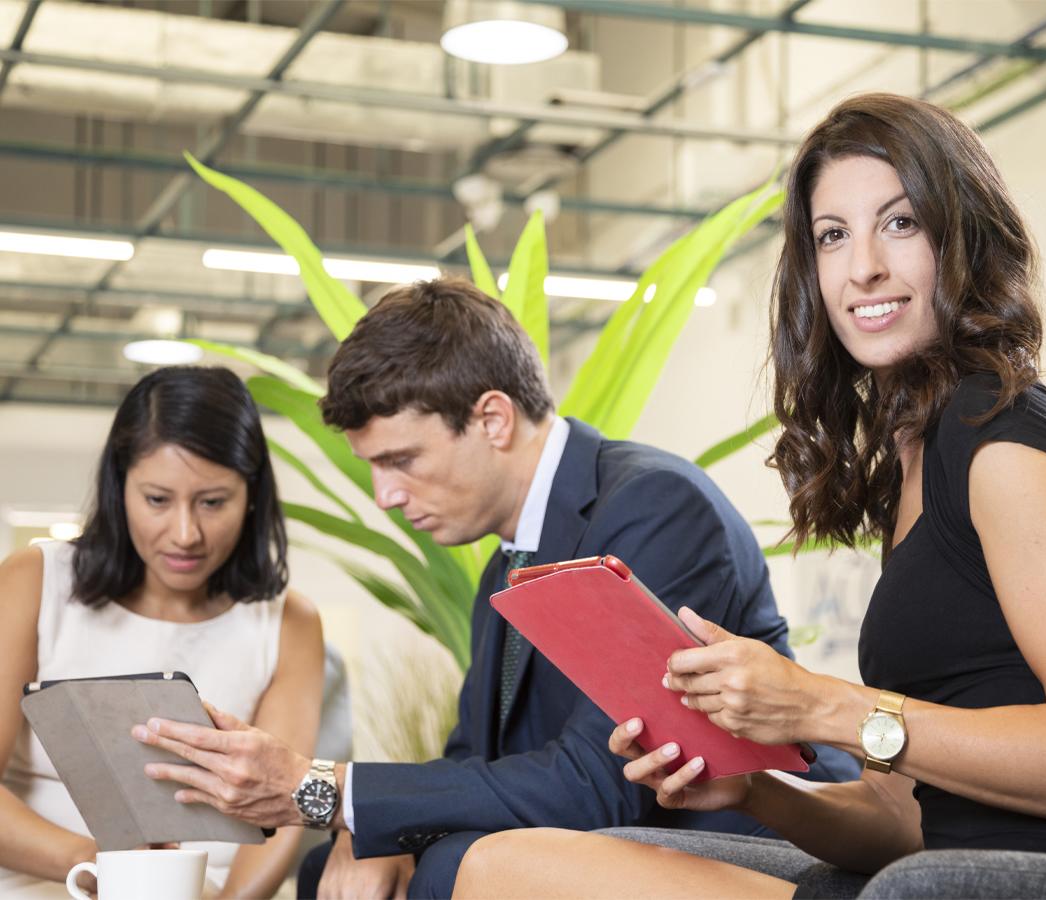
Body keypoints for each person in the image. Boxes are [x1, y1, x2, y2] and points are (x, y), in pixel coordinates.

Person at [446, 92, 1046, 898]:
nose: (862, 265)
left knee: (507, 869)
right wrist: (751, 787)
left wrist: (822, 707)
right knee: (530, 860)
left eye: (900, 223)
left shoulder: (1001, 441)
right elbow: (906, 825)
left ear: (964, 237)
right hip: (933, 874)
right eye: (833, 236)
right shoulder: (922, 451)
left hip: (1027, 888)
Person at [130, 277, 860, 899]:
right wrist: (376, 827)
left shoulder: (653, 506)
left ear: (492, 418)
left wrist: (329, 789)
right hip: (611, 830)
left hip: (755, 838)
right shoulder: (505, 561)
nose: (385, 495)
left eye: (403, 460)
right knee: (343, 864)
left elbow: (598, 780)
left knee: (446, 865)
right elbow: (471, 757)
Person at [0, 366, 324, 899]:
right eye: (157, 500)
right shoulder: (34, 582)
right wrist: (100, 865)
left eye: (213, 502)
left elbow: (280, 813)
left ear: (252, 495)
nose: (185, 533)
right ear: (119, 485)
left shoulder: (289, 623)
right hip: (44, 884)